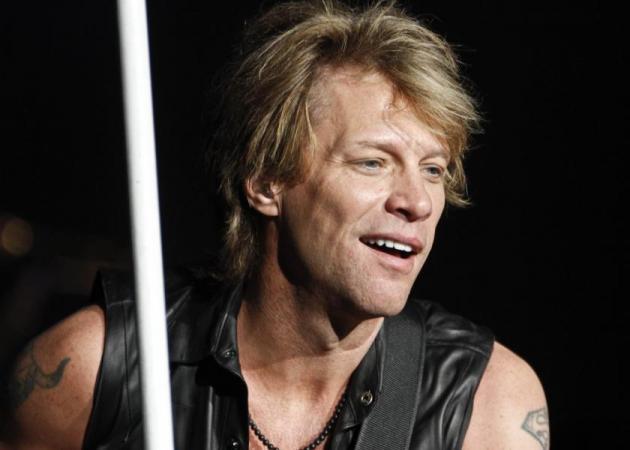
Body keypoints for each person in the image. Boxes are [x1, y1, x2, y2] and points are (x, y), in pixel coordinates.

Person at [2, 1, 550, 449]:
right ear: (266, 182)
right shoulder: (93, 373)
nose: (418, 202)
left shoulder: (485, 407)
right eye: (372, 162)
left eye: (432, 169)